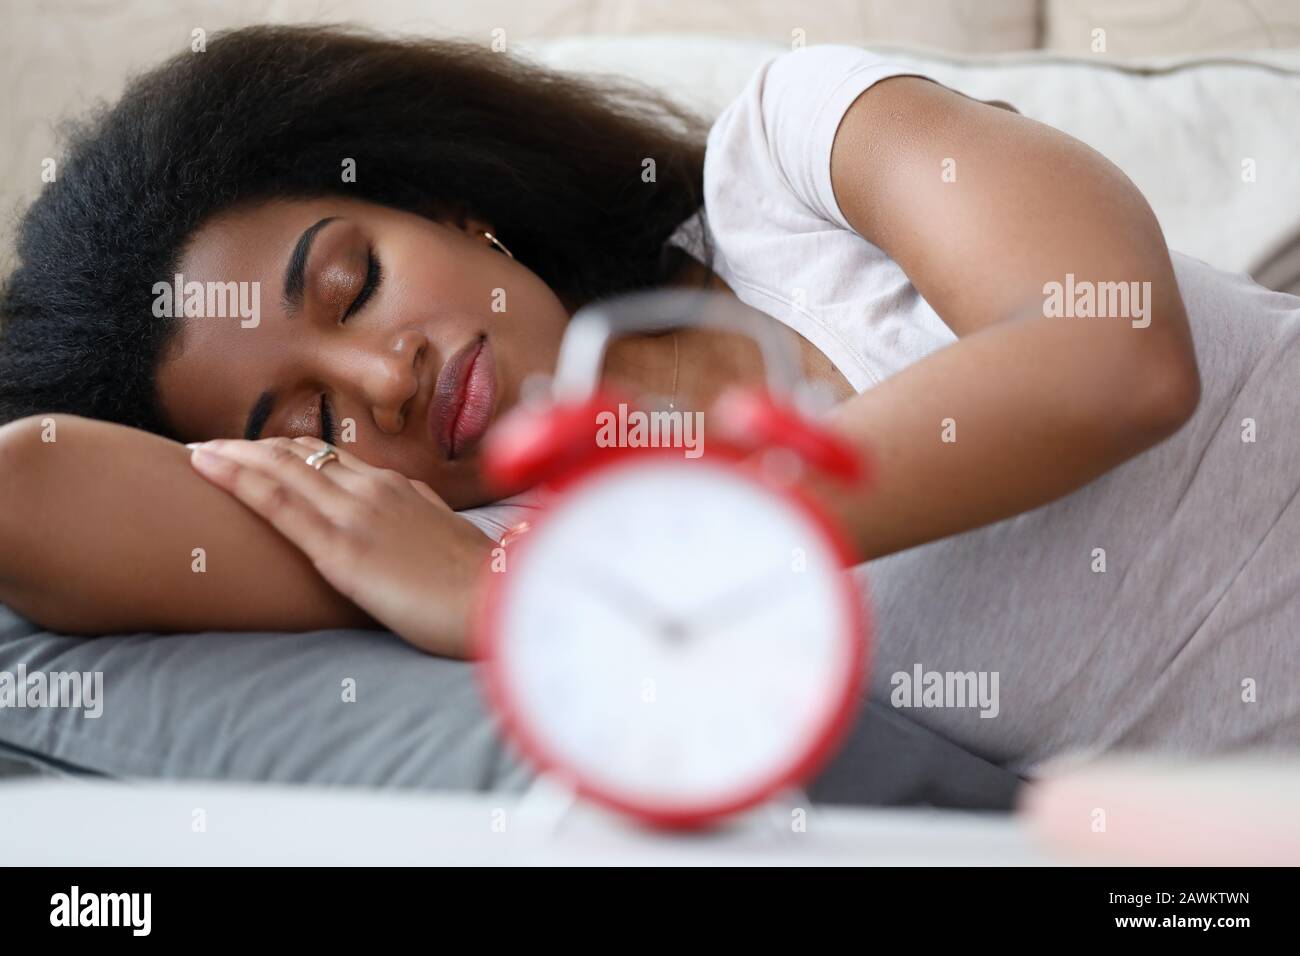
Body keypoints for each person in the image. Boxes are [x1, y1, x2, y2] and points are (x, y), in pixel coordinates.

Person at [1, 26, 1295, 767]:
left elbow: (1113, 356)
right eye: (308, 427)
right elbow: (33, 489)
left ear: (452, 207)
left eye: (352, 285)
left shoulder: (795, 161)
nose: (378, 381)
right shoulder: (475, 553)